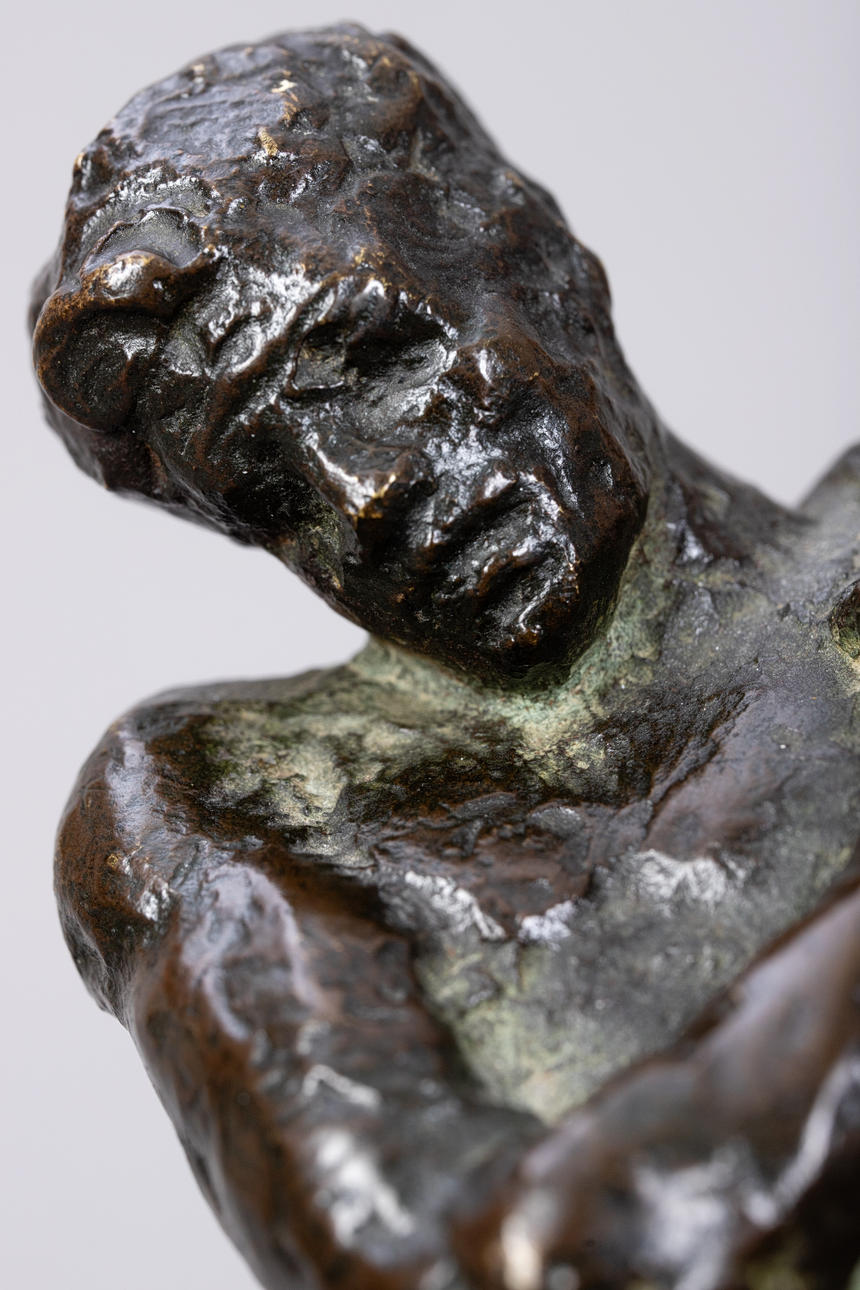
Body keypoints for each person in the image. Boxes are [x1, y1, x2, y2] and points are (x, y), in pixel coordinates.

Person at [32, 25, 860, 1290]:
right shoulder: (229, 808)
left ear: (538, 259)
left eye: (376, 365)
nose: (357, 500)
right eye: (267, 488)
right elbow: (450, 1268)